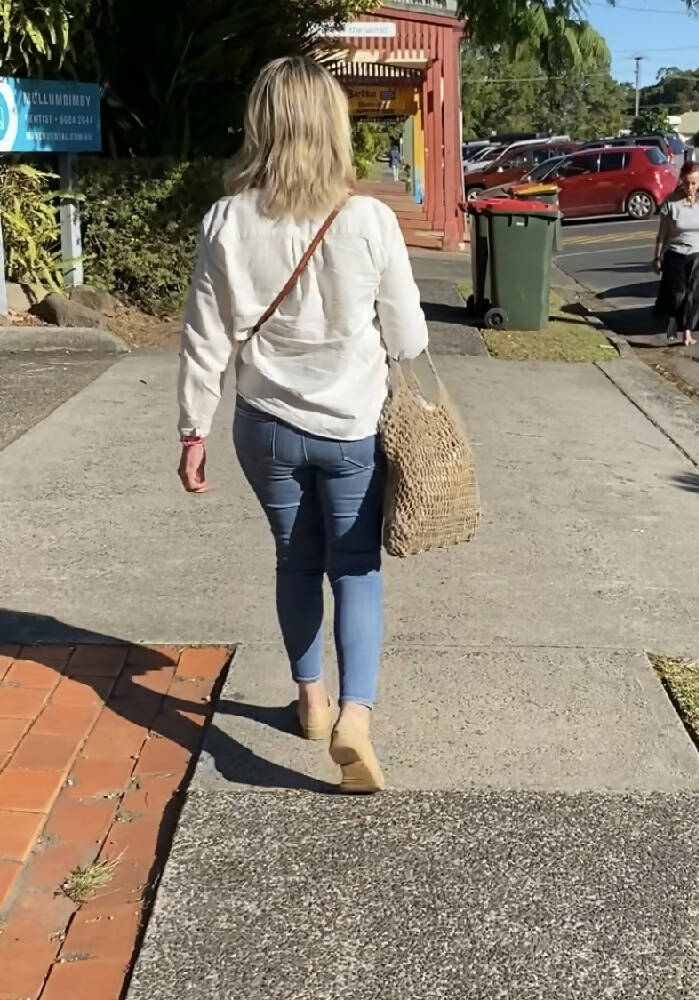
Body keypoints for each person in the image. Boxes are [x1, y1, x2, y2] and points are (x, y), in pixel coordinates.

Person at [176, 57, 428, 794]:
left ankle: (310, 702)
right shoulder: (367, 219)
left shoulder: (226, 219)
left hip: (264, 426)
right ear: (333, 127)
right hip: (351, 429)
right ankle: (356, 715)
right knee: (355, 568)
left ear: (264, 125)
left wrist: (193, 429)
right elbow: (408, 338)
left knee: (295, 560)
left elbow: (203, 336)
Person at [652, 161, 699, 347]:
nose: (690, 187)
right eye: (686, 182)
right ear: (681, 180)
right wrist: (657, 256)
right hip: (676, 253)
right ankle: (675, 320)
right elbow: (663, 233)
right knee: (678, 294)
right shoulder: (671, 202)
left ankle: (687, 332)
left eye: (694, 183)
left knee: (694, 294)